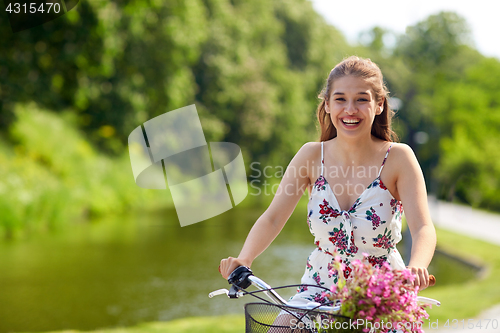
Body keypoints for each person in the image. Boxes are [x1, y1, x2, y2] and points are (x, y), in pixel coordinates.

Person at [219, 56, 436, 305]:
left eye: (361, 99)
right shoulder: (310, 156)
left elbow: (423, 228)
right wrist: (244, 259)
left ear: (379, 105)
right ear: (328, 105)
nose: (350, 109)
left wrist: (417, 265)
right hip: (318, 288)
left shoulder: (398, 158)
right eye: (340, 99)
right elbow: (273, 218)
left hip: (381, 291)